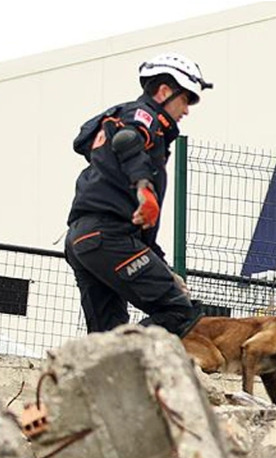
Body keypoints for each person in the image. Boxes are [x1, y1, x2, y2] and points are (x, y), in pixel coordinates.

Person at [64, 52, 212, 337]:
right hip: (108, 237)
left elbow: (141, 231)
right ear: (164, 91)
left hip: (83, 240)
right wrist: (145, 187)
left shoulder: (124, 122)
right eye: (186, 99)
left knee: (106, 334)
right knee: (179, 311)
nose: (188, 110)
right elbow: (128, 139)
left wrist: (165, 270)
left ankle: (101, 371)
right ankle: (124, 356)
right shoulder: (142, 116)